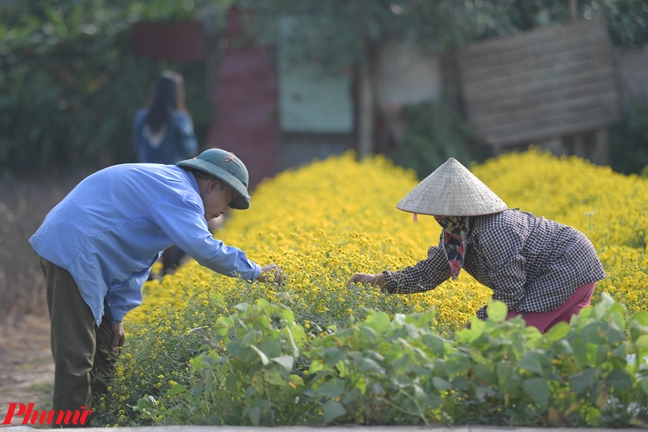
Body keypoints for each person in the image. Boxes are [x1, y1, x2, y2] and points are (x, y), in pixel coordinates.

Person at [30, 148, 284, 414]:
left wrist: (117, 316)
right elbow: (204, 248)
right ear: (213, 185)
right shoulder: (180, 194)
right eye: (227, 201)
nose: (222, 213)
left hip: (89, 256)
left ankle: (97, 421)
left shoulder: (169, 191)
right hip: (74, 250)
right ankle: (68, 426)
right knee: (77, 356)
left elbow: (139, 260)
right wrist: (254, 271)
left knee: (106, 350)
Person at [348, 157, 606, 332]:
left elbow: (510, 296)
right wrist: (378, 281)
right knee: (559, 351)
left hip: (567, 266)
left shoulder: (495, 230)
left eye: (441, 211)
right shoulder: (456, 235)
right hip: (570, 267)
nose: (437, 217)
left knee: (505, 339)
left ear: (460, 209)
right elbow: (429, 273)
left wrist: (475, 324)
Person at [133, 71, 199, 275]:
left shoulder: (141, 117)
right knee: (171, 228)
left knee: (146, 226)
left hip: (143, 179)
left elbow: (137, 146)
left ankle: (146, 272)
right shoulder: (180, 119)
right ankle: (169, 269)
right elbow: (190, 148)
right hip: (171, 180)